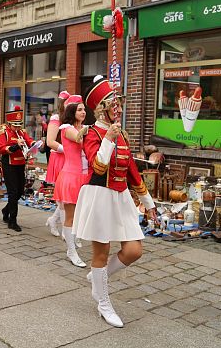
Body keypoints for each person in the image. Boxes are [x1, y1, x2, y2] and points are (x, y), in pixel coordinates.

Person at [73, 76, 157, 328]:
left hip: (121, 198)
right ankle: (103, 303)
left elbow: (132, 171)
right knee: (102, 252)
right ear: (102, 109)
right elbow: (98, 167)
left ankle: (97, 277)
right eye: (114, 104)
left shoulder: (123, 135)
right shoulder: (91, 133)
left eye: (119, 104)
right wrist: (108, 138)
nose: (119, 108)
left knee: (134, 250)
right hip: (99, 196)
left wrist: (149, 204)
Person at [52, 95, 88, 268]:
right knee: (71, 217)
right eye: (80, 109)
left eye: (84, 109)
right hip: (71, 177)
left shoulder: (83, 127)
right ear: (72, 112)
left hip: (85, 177)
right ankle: (72, 251)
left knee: (80, 216)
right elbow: (80, 138)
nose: (83, 112)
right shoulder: (66, 128)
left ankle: (72, 247)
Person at [0, 106, 35, 232]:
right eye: (15, 126)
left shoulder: (22, 132)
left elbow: (29, 141)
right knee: (13, 192)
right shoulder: (4, 132)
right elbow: (2, 148)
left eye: (19, 125)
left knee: (19, 191)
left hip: (20, 164)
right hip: (9, 165)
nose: (18, 128)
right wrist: (15, 145)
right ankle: (12, 221)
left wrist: (35, 145)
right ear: (9, 124)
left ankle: (6, 210)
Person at [45, 91, 69, 236]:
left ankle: (54, 220)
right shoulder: (56, 118)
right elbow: (50, 142)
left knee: (66, 197)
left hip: (68, 159)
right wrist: (67, 150)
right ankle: (67, 232)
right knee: (63, 198)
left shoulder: (70, 119)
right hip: (59, 158)